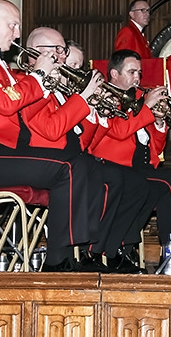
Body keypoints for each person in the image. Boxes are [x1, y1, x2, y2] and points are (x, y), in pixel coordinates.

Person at [0, 0, 102, 271]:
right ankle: (59, 260)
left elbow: (19, 106)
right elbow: (5, 102)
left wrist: (47, 85)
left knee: (82, 164)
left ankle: (75, 254)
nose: (17, 33)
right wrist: (38, 75)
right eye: (12, 25)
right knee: (68, 167)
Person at [19, 31, 153, 273]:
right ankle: (71, 254)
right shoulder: (29, 84)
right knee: (93, 173)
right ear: (38, 50)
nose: (63, 59)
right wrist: (83, 100)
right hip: (44, 159)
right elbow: (52, 130)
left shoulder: (59, 90)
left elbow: (83, 142)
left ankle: (100, 251)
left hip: (70, 158)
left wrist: (95, 112)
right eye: (59, 52)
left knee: (130, 181)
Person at [89, 49, 171, 258]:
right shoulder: (105, 96)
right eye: (132, 72)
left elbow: (155, 148)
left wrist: (158, 122)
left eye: (139, 72)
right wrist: (147, 108)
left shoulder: (139, 98)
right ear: (114, 74)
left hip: (146, 167)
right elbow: (120, 131)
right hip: (119, 167)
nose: (138, 78)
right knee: (169, 186)